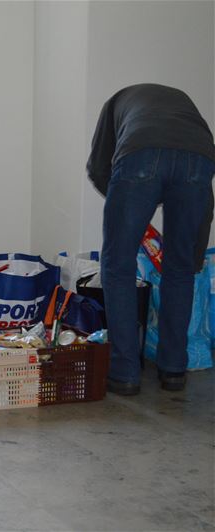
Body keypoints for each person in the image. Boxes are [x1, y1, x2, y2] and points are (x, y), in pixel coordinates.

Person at [87, 83, 215, 395]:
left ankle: (124, 372)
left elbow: (99, 168)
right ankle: (174, 370)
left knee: (118, 266)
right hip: (200, 157)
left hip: (140, 152)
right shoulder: (180, 101)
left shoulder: (114, 103)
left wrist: (129, 209)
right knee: (181, 268)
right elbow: (202, 200)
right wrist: (194, 251)